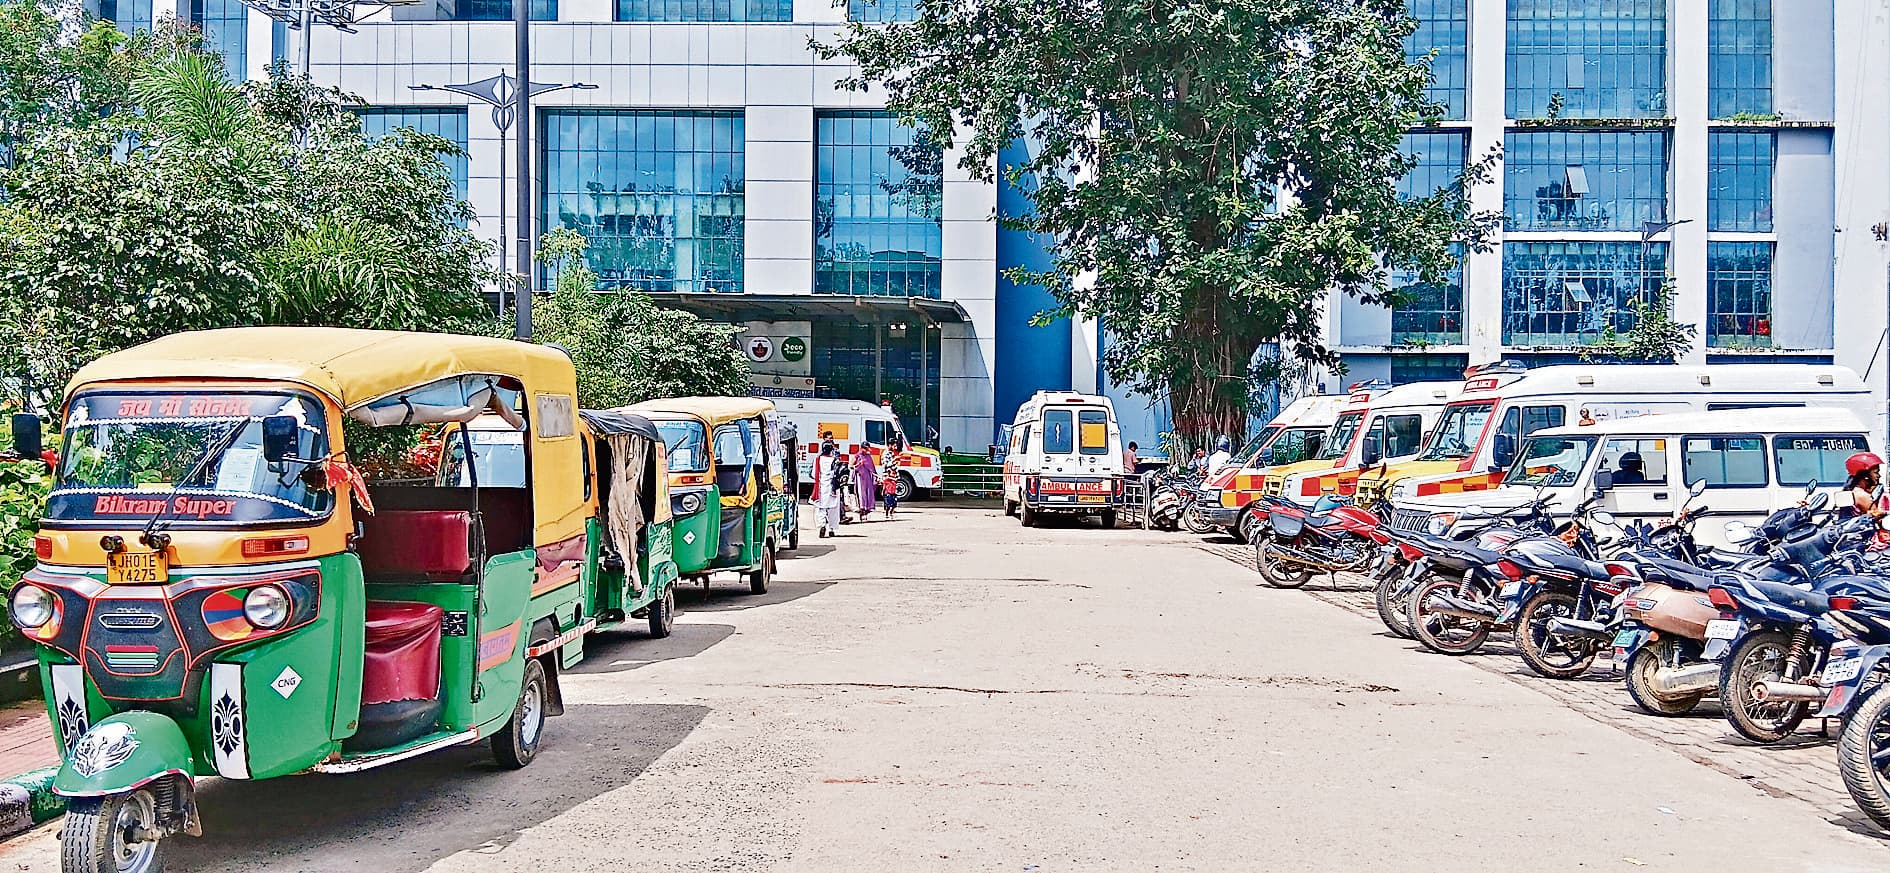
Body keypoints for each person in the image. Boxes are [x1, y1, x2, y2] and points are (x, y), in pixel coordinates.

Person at [1838, 451, 1887, 521]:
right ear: (1865, 475)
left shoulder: (1853, 491)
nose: (1879, 476)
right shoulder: (1862, 496)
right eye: (1876, 472)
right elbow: (1878, 519)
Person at [812, 442, 845, 537]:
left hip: (821, 487)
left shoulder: (818, 460)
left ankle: (822, 524)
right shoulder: (835, 460)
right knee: (833, 509)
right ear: (831, 450)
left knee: (821, 508)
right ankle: (831, 529)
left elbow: (814, 474)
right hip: (833, 488)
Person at [852, 444, 878, 521]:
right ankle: (862, 512)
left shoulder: (868, 456)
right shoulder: (857, 456)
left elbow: (872, 468)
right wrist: (857, 465)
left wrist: (876, 476)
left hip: (868, 478)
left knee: (869, 494)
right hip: (860, 477)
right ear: (861, 448)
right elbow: (851, 465)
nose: (866, 450)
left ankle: (867, 512)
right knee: (862, 495)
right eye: (865, 449)